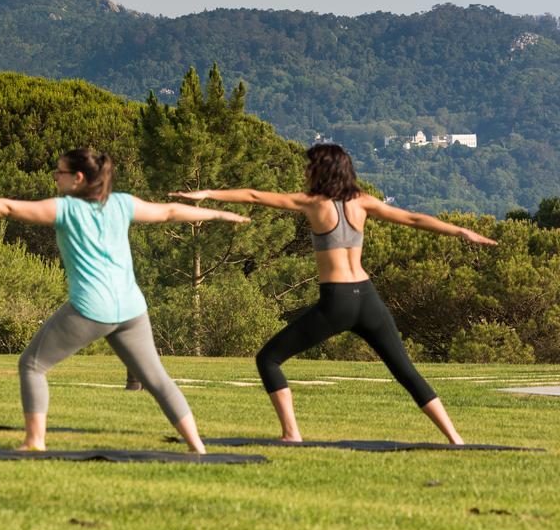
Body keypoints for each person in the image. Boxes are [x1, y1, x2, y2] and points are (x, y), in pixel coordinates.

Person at [0, 148, 250, 453]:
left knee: (32, 365)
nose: (56, 177)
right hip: (132, 308)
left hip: (92, 309)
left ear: (78, 178)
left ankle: (35, 441)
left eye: (60, 172)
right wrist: (219, 215)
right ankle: (197, 446)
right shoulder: (121, 204)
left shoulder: (65, 209)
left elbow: (9, 207)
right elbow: (169, 212)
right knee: (157, 379)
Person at [171, 142, 497, 444]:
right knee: (405, 371)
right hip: (368, 298)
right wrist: (461, 230)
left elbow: (255, 196)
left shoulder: (313, 203)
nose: (305, 172)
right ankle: (456, 439)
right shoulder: (363, 203)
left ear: (321, 171)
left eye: (310, 167)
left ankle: (291, 435)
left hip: (337, 301)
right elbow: (412, 218)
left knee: (268, 359)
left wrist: (209, 193)